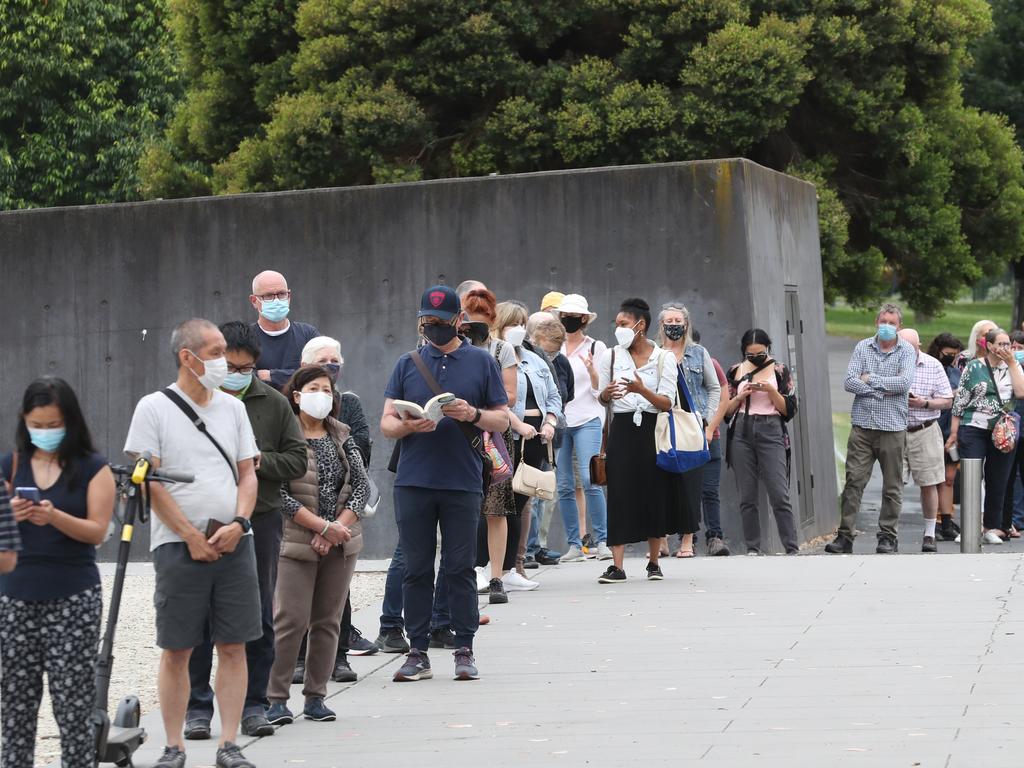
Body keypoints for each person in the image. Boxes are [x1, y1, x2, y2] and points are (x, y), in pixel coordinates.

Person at [124, 319, 261, 768]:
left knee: (235, 644)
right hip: (177, 545)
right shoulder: (153, 408)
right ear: (189, 356)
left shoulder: (233, 409)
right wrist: (188, 535)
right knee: (178, 647)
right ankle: (173, 745)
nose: (225, 360)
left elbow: (247, 473)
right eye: (217, 350)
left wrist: (240, 522)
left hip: (234, 540)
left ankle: (229, 743)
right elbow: (149, 481)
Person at [381, 284, 510, 682]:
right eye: (426, 322)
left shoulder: (482, 362)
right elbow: (385, 423)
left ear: (459, 321)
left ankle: (464, 647)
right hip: (414, 481)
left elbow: (502, 419)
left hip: (462, 480)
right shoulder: (406, 363)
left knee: (459, 567)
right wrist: (407, 425)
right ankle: (416, 650)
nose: (431, 328)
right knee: (416, 568)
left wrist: (471, 413)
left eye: (439, 322)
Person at [185, 322, 307, 740]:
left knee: (256, 615)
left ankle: (257, 704)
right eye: (230, 365)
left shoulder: (272, 403)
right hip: (203, 519)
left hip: (261, 517)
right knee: (198, 616)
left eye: (247, 368)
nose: (237, 373)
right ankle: (197, 709)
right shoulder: (191, 402)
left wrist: (257, 463)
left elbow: (296, 460)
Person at [0, 378, 114, 768]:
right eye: (37, 425)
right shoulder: (9, 466)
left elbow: (97, 531)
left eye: (53, 425)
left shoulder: (92, 468)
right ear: (24, 422)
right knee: (15, 705)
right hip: (14, 597)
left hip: (74, 597)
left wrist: (54, 516)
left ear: (71, 421)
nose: (45, 433)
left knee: (73, 705)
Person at [265, 365, 369, 726]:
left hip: (341, 543)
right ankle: (276, 698)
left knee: (327, 621)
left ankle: (316, 697)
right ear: (296, 395)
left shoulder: (341, 433)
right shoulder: (284, 434)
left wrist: (336, 529)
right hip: (296, 541)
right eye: (314, 388)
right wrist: (320, 527)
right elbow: (278, 493)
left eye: (328, 389)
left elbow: (361, 486)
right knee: (290, 619)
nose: (322, 395)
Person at [291, 336, 378, 682]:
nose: (331, 366)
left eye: (335, 360)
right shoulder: (289, 414)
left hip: (341, 517)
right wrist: (316, 525)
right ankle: (297, 659)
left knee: (336, 597)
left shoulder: (348, 406)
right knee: (294, 601)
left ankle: (338, 658)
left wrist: (334, 525)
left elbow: (361, 461)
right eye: (322, 361)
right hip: (301, 520)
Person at [596, 298, 697, 583]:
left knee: (655, 492)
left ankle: (654, 561)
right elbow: (600, 395)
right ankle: (617, 565)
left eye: (624, 324)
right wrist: (608, 394)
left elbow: (667, 401)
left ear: (640, 325)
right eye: (617, 324)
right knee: (619, 494)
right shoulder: (612, 356)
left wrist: (641, 390)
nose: (619, 329)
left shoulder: (663, 357)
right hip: (623, 429)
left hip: (654, 429)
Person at [826, 304, 915, 555]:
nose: (887, 326)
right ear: (876, 322)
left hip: (892, 427)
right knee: (854, 481)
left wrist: (871, 380)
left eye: (892, 323)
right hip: (863, 427)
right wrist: (879, 388)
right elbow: (849, 381)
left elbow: (904, 383)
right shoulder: (863, 347)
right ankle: (845, 536)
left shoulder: (906, 351)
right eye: (883, 321)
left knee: (892, 486)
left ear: (899, 326)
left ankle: (887, 536)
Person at [495, 301, 563, 591]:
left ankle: (512, 566)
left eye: (522, 324)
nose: (518, 330)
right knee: (499, 504)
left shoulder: (535, 360)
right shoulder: (492, 357)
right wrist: (517, 425)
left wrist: (550, 421)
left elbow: (554, 396)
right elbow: (495, 399)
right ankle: (492, 566)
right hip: (505, 436)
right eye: (513, 323)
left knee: (521, 502)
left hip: (535, 439)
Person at [461, 289, 518, 604]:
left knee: (496, 508)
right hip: (459, 433)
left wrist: (479, 401)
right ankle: (466, 571)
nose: (475, 328)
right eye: (471, 321)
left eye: (481, 322)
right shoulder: (450, 348)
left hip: (492, 435)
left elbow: (510, 396)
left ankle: (497, 575)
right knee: (463, 507)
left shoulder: (501, 349)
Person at [724, 330, 800, 555]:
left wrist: (770, 391)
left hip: (771, 428)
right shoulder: (735, 371)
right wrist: (740, 396)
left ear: (768, 349)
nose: (756, 357)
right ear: (744, 352)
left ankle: (791, 546)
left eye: (761, 353)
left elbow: (789, 409)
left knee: (779, 492)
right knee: (747, 495)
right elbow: (726, 411)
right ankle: (753, 547)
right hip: (742, 430)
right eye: (751, 354)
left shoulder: (779, 370)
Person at [658, 304, 725, 557]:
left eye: (678, 320)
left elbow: (714, 387)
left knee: (691, 485)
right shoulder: (654, 353)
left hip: (691, 427)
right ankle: (661, 539)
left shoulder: (698, 353)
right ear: (661, 325)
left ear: (686, 324)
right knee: (661, 482)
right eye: (669, 320)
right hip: (662, 425)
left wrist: (705, 420)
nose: (674, 324)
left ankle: (687, 540)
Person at [947, 328, 1024, 544]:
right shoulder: (974, 366)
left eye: (1007, 344)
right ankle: (970, 526)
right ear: (989, 345)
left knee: (997, 478)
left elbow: (1021, 392)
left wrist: (1011, 364)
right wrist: (954, 432)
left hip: (1003, 431)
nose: (1005, 348)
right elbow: (960, 401)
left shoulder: (1014, 366)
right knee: (972, 475)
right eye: (1000, 344)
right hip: (974, 426)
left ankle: (992, 526)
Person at [551, 294, 611, 562]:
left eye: (574, 316)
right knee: (564, 484)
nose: (569, 321)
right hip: (562, 421)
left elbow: (602, 390)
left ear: (584, 319)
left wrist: (592, 370)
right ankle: (574, 544)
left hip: (589, 417)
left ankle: (602, 541)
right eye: (564, 316)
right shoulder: (553, 349)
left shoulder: (597, 347)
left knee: (590, 480)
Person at [895, 329, 953, 553]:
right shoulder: (890, 361)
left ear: (919, 345)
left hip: (925, 428)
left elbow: (947, 400)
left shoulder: (933, 365)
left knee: (929, 483)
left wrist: (925, 403)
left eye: (912, 347)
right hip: (896, 430)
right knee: (894, 484)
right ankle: (890, 533)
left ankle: (930, 533)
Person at [524, 313, 573, 566]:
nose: (550, 356)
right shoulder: (526, 358)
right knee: (528, 494)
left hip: (551, 434)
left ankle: (537, 545)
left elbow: (563, 394)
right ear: (537, 339)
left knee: (543, 493)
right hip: (529, 433)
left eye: (555, 352)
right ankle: (527, 549)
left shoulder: (559, 363)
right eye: (549, 350)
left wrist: (553, 420)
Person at [249, 270, 320, 390]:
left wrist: (269, 375)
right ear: (254, 301)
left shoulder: (308, 335)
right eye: (268, 296)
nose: (276, 300)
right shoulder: (246, 338)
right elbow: (245, 378)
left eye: (281, 294)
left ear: (289, 296)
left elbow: (319, 374)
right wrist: (297, 374)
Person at [927, 333, 964, 541]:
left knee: (949, 479)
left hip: (952, 433)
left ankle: (947, 522)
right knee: (932, 479)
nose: (951, 357)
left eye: (955, 354)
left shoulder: (954, 372)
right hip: (933, 430)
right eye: (948, 354)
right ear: (938, 350)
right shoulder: (929, 369)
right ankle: (934, 523)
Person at [1004, 331, 1024, 537]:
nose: (1017, 351)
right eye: (1014, 347)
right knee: (1011, 475)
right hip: (1010, 430)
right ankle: (1013, 519)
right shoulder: (1006, 368)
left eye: (1021, 347)